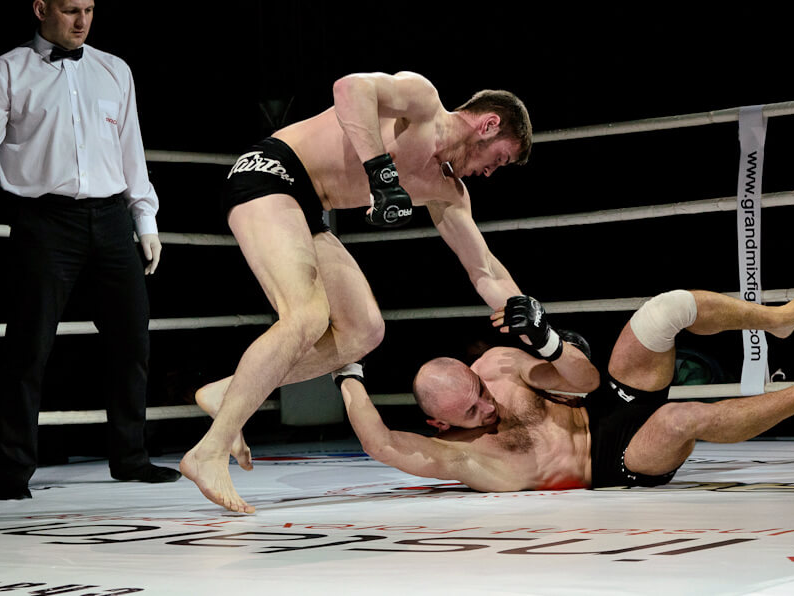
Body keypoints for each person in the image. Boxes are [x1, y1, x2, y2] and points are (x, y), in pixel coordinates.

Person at [179, 71, 533, 512]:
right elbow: (349, 89)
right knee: (306, 316)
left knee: (364, 330)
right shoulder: (423, 102)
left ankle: (229, 392)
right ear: (489, 124)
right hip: (271, 170)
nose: (490, 172)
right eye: (500, 158)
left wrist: (532, 319)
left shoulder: (447, 191)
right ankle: (208, 452)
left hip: (307, 206)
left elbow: (484, 268)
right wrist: (379, 171)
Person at [321, 276, 794, 506]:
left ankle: (779, 318)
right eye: (471, 410)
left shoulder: (497, 366)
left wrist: (547, 340)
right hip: (614, 460)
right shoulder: (460, 457)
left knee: (664, 311)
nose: (487, 405)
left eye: (480, 391)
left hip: (604, 402)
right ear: (441, 425)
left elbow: (584, 380)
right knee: (681, 419)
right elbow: (380, 443)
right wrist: (348, 369)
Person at [0, 0, 179, 500]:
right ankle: (11, 468)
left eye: (90, 10)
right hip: (43, 218)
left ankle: (131, 457)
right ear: (41, 9)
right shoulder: (9, 70)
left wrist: (145, 220)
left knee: (131, 340)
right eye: (70, 10)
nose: (82, 22)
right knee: (28, 346)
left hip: (111, 217)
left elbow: (130, 149)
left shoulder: (114, 69)